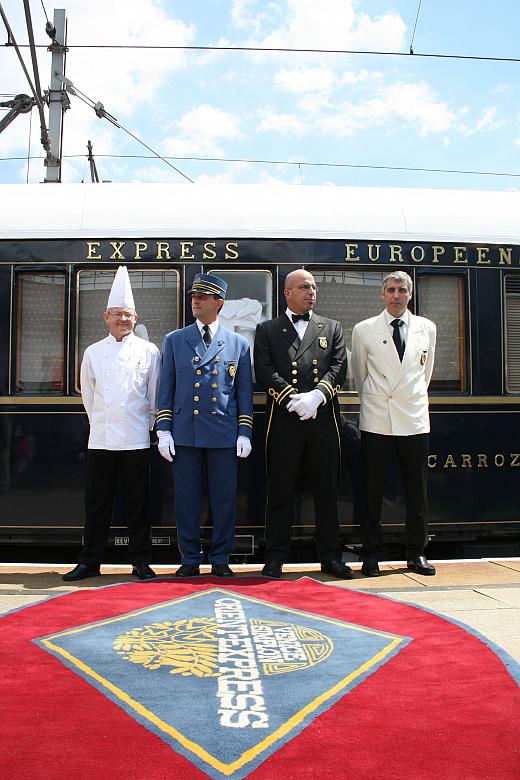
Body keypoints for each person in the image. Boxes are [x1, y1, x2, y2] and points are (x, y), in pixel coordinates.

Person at [63, 266, 160, 582]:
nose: (123, 319)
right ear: (106, 317)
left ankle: (141, 562)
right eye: (117, 314)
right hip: (101, 438)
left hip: (135, 439)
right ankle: (90, 561)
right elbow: (88, 396)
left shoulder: (149, 352)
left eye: (128, 314)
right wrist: (101, 423)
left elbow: (153, 396)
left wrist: (144, 426)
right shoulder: (93, 352)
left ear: (135, 317)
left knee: (138, 505)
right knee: (97, 505)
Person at [253, 268, 351, 579]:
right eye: (304, 287)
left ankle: (331, 558)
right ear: (287, 293)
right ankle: (275, 557)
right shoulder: (267, 329)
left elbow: (339, 367)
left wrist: (317, 397)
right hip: (284, 420)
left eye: (313, 287)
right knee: (280, 490)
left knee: (326, 490)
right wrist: (293, 398)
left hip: (322, 419)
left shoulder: (331, 327)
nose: (312, 292)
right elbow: (264, 370)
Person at [156, 273, 253, 578]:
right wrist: (164, 429)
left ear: (219, 303)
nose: (195, 300)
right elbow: (166, 389)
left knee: (224, 499)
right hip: (186, 432)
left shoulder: (238, 343)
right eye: (194, 296)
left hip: (223, 433)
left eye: (203, 296)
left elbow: (243, 393)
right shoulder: (175, 339)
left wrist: (245, 431)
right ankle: (190, 558)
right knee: (185, 500)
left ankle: (221, 557)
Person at [351, 271, 437, 577]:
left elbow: (424, 376)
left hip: (413, 418)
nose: (396, 295)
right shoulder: (364, 330)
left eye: (402, 290)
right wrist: (377, 399)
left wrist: (408, 397)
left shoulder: (427, 328)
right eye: (390, 290)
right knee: (371, 490)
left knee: (417, 491)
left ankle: (416, 553)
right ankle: (371, 554)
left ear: (410, 294)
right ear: (382, 295)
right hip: (378, 417)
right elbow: (360, 375)